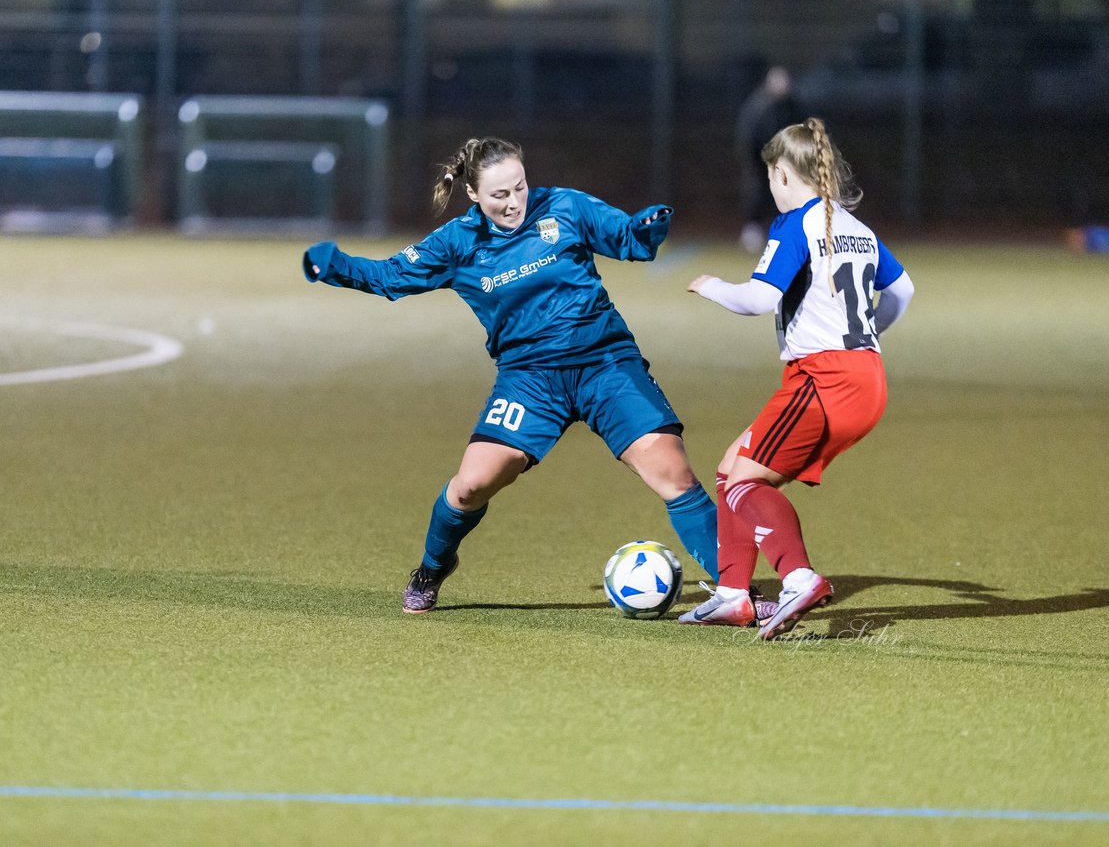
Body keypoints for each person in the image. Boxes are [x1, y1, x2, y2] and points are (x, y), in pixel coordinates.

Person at [303, 137, 723, 614]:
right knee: (471, 485)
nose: (514, 202)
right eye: (499, 195)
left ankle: (735, 589)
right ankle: (432, 568)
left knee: (674, 474)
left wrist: (647, 227)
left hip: (605, 363)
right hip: (529, 379)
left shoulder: (565, 206)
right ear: (473, 195)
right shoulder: (458, 242)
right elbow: (389, 277)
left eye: (519, 187)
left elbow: (628, 241)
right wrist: (334, 266)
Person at [680, 118, 915, 640]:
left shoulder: (796, 224)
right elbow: (903, 291)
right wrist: (865, 336)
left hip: (823, 380)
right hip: (865, 379)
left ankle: (798, 578)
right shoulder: (856, 227)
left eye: (770, 176)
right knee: (731, 467)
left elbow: (758, 299)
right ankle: (733, 594)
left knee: (745, 482)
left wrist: (712, 285)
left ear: (782, 174)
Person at [735, 65, 804, 253]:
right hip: (761, 163)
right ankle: (752, 234)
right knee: (757, 197)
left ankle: (787, 238)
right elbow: (749, 136)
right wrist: (755, 161)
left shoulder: (793, 107)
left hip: (787, 163)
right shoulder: (757, 106)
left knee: (788, 200)